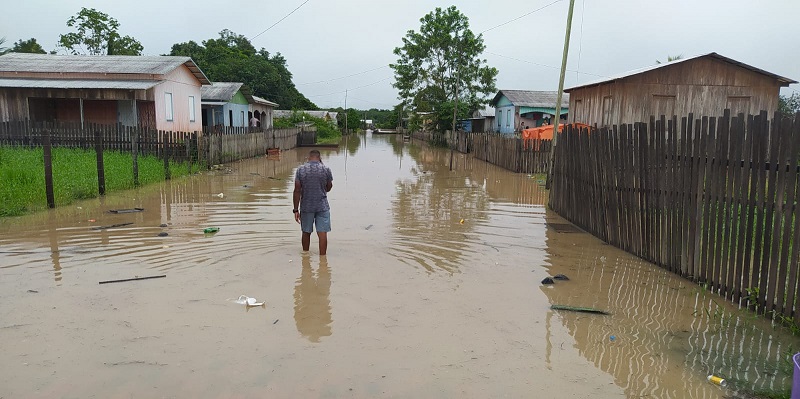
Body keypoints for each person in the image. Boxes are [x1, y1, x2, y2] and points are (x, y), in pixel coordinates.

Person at [293, 150, 333, 255]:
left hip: (306, 206)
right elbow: (328, 187)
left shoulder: (301, 170)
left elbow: (297, 190)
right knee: (322, 233)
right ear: (319, 158)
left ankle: (305, 256)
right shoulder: (326, 169)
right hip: (322, 206)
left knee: (306, 232)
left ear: (308, 158)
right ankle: (323, 258)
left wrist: (295, 209)